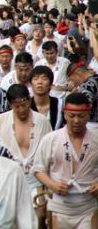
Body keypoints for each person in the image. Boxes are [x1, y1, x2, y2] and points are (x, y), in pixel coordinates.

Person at [33, 93, 98, 229]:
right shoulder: (51, 139)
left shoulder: (95, 139)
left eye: (81, 116)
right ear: (64, 114)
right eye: (71, 115)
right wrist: (52, 184)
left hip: (87, 204)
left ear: (88, 114)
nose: (76, 121)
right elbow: (39, 170)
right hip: (59, 206)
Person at [0, 84, 51, 197]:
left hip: (36, 179)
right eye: (17, 106)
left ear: (29, 101)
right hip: (8, 178)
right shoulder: (0, 121)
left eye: (24, 105)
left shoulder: (42, 121)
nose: (21, 109)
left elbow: (50, 151)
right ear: (10, 105)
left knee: (39, 214)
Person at [65, 60, 98, 130]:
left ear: (77, 74)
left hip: (93, 126)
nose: (73, 83)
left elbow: (85, 106)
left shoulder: (86, 86)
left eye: (71, 79)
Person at [29, 65, 64, 130]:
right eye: (36, 79)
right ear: (31, 84)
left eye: (44, 79)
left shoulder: (60, 104)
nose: (40, 82)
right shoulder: (26, 105)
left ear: (50, 85)